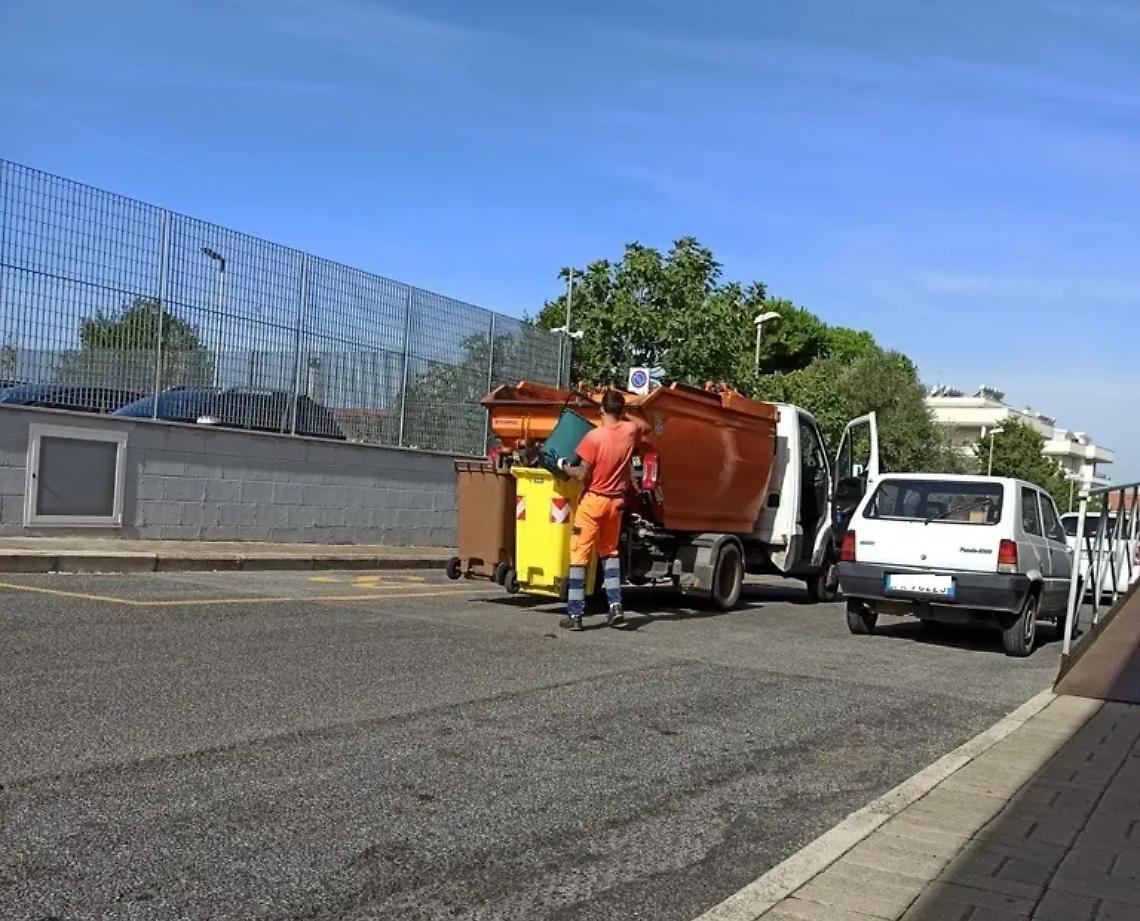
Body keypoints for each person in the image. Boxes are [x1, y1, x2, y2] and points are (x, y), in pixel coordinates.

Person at [557, 390, 651, 631]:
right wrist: (624, 413)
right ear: (620, 411)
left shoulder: (593, 437)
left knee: (579, 557)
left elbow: (582, 474)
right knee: (610, 554)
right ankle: (616, 607)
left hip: (594, 502)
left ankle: (575, 614)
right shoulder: (630, 433)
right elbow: (645, 426)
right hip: (616, 503)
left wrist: (565, 466)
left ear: (601, 410)